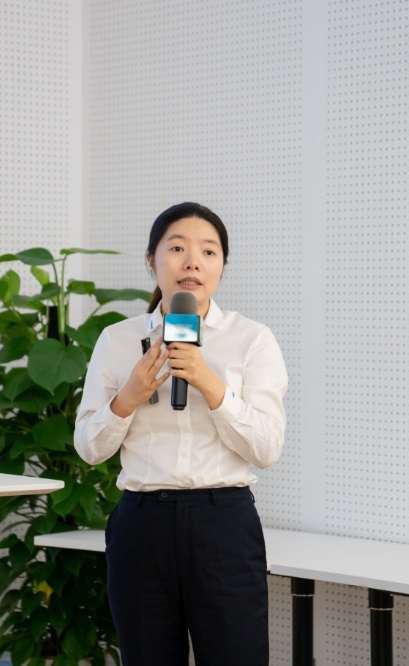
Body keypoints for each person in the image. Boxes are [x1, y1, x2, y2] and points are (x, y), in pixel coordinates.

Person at [74, 202, 288, 666]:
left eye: (208, 252)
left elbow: (267, 447)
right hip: (141, 525)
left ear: (221, 266)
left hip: (223, 525)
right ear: (151, 260)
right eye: (177, 249)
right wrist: (128, 397)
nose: (193, 262)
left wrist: (209, 383)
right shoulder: (117, 340)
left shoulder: (252, 339)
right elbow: (89, 448)